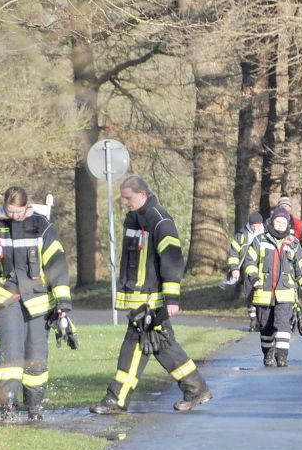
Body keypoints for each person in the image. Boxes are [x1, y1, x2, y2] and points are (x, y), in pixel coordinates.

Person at [90, 175, 212, 414]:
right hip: (141, 298)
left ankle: (117, 398)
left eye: (128, 198)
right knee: (159, 346)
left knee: (141, 346)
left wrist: (172, 298)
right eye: (123, 198)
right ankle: (195, 388)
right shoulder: (136, 219)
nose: (125, 202)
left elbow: (172, 260)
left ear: (142, 194)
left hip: (151, 300)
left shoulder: (159, 220)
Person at [0, 186, 72, 421]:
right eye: (10, 212)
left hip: (38, 301)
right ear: (5, 207)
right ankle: (8, 406)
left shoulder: (42, 227)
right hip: (6, 300)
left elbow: (57, 266)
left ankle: (34, 407)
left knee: (36, 355)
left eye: (19, 212)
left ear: (27, 207)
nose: (14, 217)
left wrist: (63, 303)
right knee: (10, 354)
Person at [242, 207, 302, 367]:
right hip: (263, 293)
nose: (280, 225)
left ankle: (282, 357)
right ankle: (268, 355)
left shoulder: (293, 243)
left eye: (283, 222)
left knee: (283, 325)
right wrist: (254, 278)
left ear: (288, 224)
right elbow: (249, 262)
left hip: (285, 293)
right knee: (265, 327)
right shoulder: (260, 241)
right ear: (272, 222)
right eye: (277, 221)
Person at [224, 212, 265, 331]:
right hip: (247, 269)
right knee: (250, 294)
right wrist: (234, 269)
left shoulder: (266, 233)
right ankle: (253, 320)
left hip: (263, 269)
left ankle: (263, 320)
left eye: (258, 226)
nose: (256, 228)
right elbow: (233, 253)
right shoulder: (241, 235)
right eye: (254, 226)